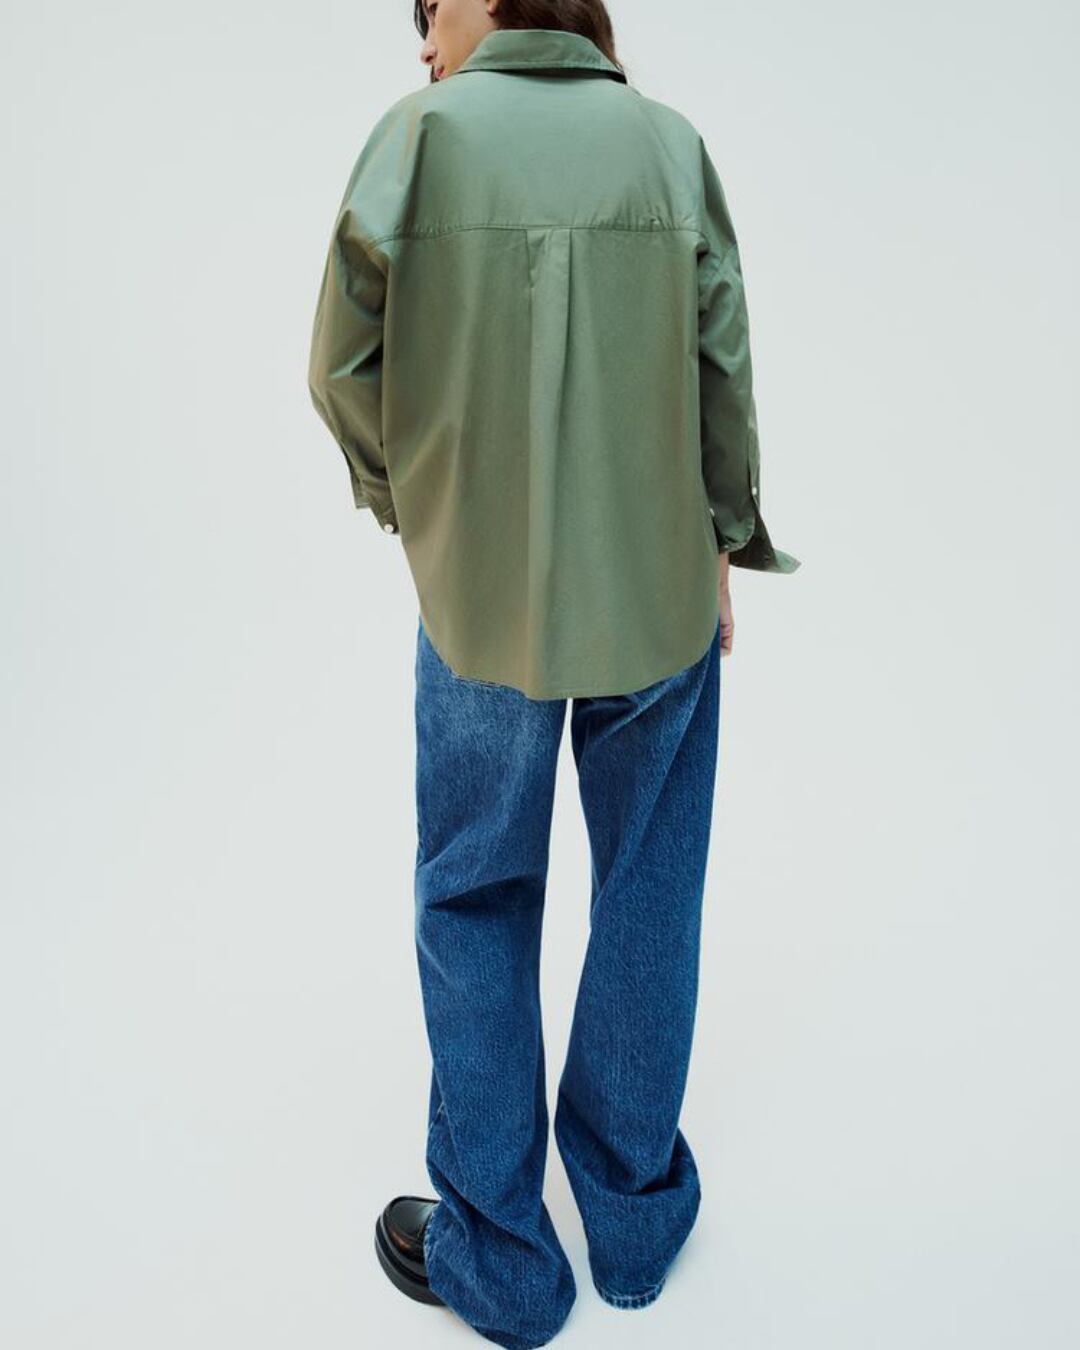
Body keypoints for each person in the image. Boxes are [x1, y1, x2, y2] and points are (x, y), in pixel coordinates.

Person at [306, 2, 800, 1346]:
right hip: (657, 592)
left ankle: (507, 1265)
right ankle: (633, 1220)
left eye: (428, 9)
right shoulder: (667, 146)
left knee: (475, 893)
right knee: (651, 884)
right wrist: (723, 535)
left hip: (480, 600)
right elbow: (720, 365)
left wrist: (413, 502)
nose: (421, 41)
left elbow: (340, 366)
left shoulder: (418, 143)